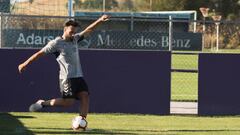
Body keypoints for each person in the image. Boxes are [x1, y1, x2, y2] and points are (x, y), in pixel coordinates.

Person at [18, 15, 110, 128]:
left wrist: (99, 21)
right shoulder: (55, 43)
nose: (73, 33)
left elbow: (88, 30)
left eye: (74, 31)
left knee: (85, 96)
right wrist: (25, 63)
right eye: (71, 31)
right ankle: (42, 103)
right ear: (65, 29)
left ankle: (81, 122)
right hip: (67, 78)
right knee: (68, 103)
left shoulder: (75, 39)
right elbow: (39, 53)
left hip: (78, 76)